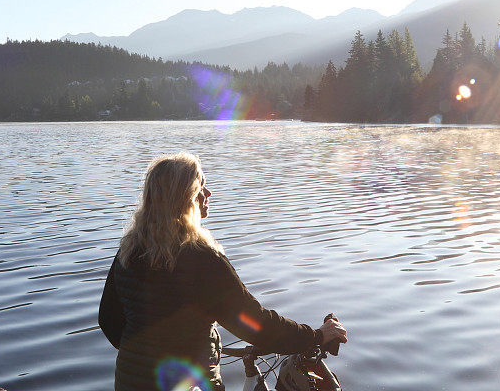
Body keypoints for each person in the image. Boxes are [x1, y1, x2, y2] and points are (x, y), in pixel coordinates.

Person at [99, 152, 347, 391]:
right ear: (186, 198)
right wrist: (315, 336)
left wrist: (147, 355)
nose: (208, 193)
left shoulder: (129, 251)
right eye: (201, 187)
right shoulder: (200, 257)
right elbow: (256, 324)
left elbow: (108, 320)